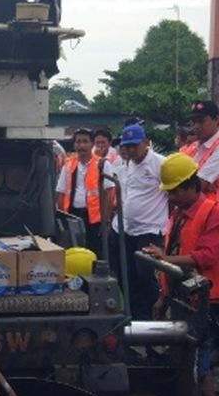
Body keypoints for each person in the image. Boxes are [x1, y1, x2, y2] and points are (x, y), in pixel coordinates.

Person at [144, 153, 219, 396]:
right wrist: (163, 296)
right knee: (183, 356)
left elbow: (207, 256)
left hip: (207, 298)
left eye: (174, 190)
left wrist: (165, 257)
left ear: (191, 186)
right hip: (183, 296)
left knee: (201, 357)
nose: (171, 195)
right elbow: (176, 255)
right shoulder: (179, 213)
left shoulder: (212, 212)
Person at [111, 123, 166, 321]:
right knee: (127, 276)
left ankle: (153, 318)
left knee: (145, 276)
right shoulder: (126, 165)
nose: (131, 150)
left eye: (135, 145)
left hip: (148, 229)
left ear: (146, 142)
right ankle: (134, 318)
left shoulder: (159, 164)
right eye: (128, 146)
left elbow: (174, 195)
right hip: (126, 229)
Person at [56, 128, 113, 256]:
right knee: (74, 253)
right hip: (73, 216)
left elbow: (110, 193)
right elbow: (60, 192)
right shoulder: (68, 164)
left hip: (94, 219)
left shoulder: (102, 164)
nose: (81, 145)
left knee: (95, 253)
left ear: (92, 144)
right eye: (78, 142)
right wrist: (63, 217)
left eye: (85, 141)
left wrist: (106, 220)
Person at [182, 100, 219, 215]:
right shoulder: (193, 148)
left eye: (201, 121)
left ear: (217, 120)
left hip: (215, 218)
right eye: (194, 122)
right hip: (195, 215)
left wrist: (187, 182)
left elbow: (197, 187)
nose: (196, 126)